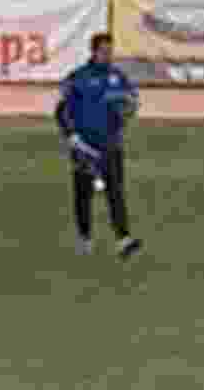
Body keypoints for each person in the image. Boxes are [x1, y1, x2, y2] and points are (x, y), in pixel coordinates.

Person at [55, 33, 143, 260]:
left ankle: (124, 240)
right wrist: (71, 136)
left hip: (111, 146)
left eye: (110, 51)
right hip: (84, 148)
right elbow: (61, 111)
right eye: (104, 51)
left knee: (116, 193)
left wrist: (130, 107)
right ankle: (84, 238)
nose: (108, 55)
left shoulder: (118, 77)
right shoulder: (78, 78)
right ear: (93, 52)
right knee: (83, 195)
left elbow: (132, 102)